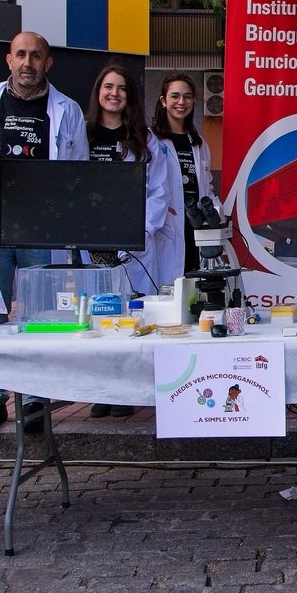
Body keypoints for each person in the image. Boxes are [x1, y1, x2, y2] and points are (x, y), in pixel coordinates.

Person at [0, 31, 90, 434]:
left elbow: (77, 172)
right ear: (9, 60)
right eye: (20, 54)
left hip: (42, 233)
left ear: (47, 63)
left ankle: (36, 401)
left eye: (36, 56)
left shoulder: (67, 110)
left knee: (41, 316)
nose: (28, 63)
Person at [86, 63, 169, 418]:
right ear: (98, 92)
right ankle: (103, 389)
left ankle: (126, 390)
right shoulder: (83, 134)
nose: (114, 94)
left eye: (121, 88)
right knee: (98, 316)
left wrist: (140, 232)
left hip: (131, 242)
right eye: (108, 87)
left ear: (129, 96)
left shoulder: (145, 140)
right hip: (91, 240)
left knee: (130, 316)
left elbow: (159, 192)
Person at [150, 72, 221, 280]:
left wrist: (217, 211)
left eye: (187, 97)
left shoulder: (199, 143)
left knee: (194, 285)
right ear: (163, 101)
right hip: (166, 226)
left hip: (195, 226)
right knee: (168, 285)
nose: (181, 102)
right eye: (175, 96)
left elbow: (206, 185)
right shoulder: (151, 140)